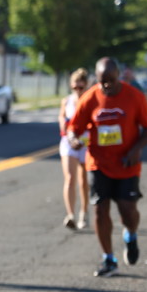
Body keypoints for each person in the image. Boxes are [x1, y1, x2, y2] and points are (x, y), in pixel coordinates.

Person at [67, 57, 147, 277]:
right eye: (102, 81)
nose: (106, 85)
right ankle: (108, 259)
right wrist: (73, 139)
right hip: (98, 163)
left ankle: (131, 235)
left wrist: (136, 150)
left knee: (128, 211)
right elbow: (73, 128)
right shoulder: (90, 98)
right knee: (100, 210)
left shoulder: (134, 96)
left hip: (127, 164)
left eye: (111, 80)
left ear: (119, 75)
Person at [57, 68, 91, 229]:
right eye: (74, 86)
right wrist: (63, 124)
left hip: (86, 142)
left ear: (86, 85)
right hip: (68, 142)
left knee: (83, 180)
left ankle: (84, 212)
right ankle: (70, 215)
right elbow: (62, 117)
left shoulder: (90, 100)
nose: (77, 89)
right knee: (70, 178)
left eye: (80, 86)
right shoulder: (67, 101)